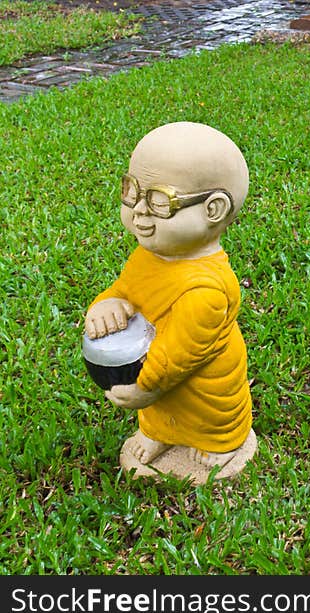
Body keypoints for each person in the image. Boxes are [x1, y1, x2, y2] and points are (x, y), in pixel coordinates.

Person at [84, 121, 255, 482]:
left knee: (210, 412)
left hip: (201, 380)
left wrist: (146, 387)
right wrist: (107, 303)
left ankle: (224, 443)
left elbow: (180, 353)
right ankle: (160, 433)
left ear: (214, 210)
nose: (140, 211)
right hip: (155, 364)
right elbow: (127, 291)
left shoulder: (206, 288)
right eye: (132, 191)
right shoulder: (149, 257)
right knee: (160, 414)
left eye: (160, 200)